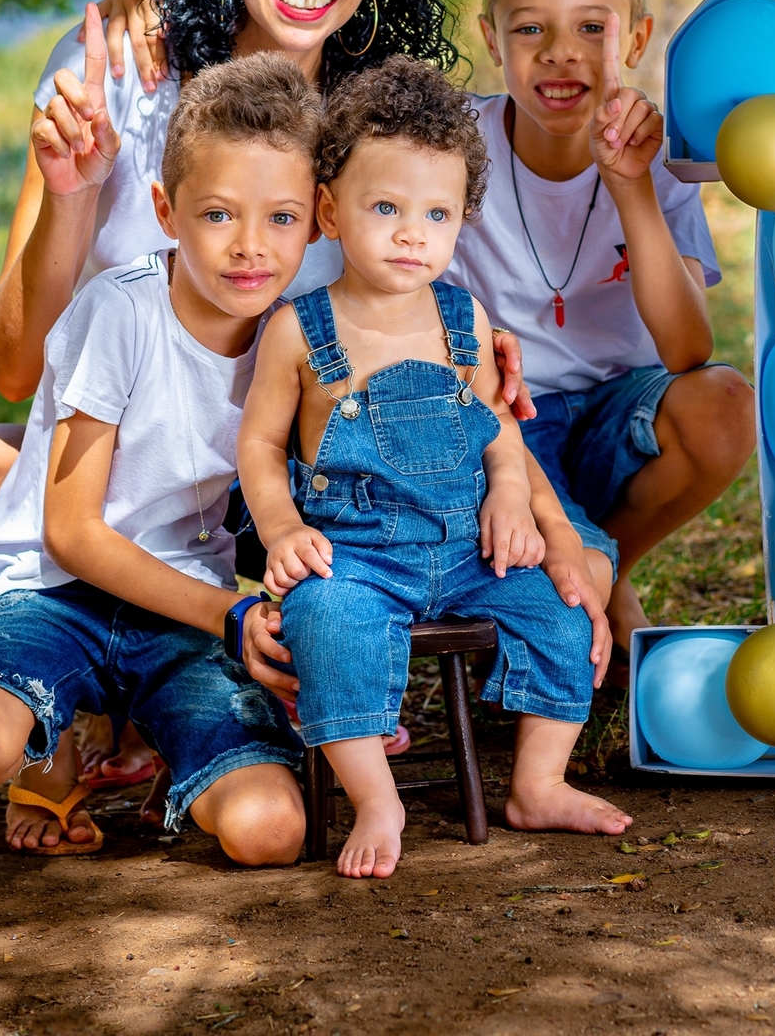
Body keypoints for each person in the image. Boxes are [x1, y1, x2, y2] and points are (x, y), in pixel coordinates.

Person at [0, 0, 533, 782]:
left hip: (298, 495)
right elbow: (13, 367)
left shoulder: (375, 124)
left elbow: (425, 294)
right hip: (131, 474)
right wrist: (72, 197)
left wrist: (473, 333)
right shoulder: (121, 75)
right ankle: (108, 671)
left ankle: (213, 674)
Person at [0, 54, 317, 861]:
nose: (250, 247)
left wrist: (480, 354)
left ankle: (166, 748)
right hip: (57, 598)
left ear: (319, 221)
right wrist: (230, 616)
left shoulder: (295, 336)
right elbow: (72, 533)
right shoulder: (120, 311)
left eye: (281, 218)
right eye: (218, 214)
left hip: (177, 615)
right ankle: (46, 740)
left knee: (270, 831)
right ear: (166, 210)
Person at [239, 57, 630, 881]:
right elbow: (261, 448)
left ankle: (538, 783)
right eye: (385, 207)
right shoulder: (299, 331)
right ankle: (377, 799)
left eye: (437, 214)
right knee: (325, 624)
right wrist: (280, 529)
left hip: (465, 550)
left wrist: (512, 497)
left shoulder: (464, 319)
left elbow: (495, 428)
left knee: (560, 612)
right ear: (329, 211)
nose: (412, 233)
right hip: (356, 557)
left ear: (461, 222)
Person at [444, 0, 757, 666]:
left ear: (637, 39)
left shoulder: (658, 158)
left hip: (622, 417)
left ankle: (605, 563)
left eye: (592, 27)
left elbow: (687, 350)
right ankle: (573, 573)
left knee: (723, 406)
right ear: (491, 39)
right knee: (571, 652)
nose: (561, 53)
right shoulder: (450, 150)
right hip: (502, 425)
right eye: (530, 29)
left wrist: (631, 187)